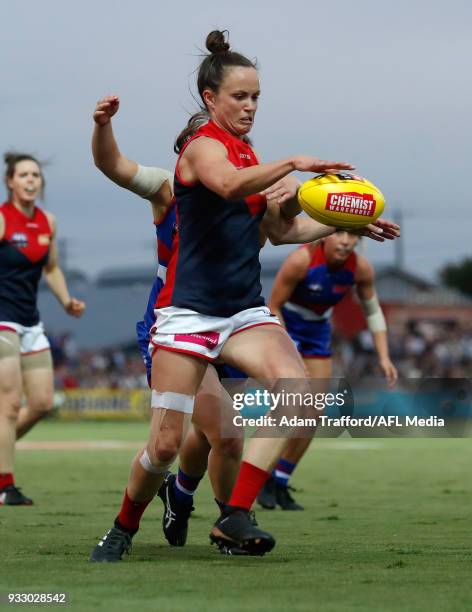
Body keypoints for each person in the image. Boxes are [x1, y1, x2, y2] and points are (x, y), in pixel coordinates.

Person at [91, 30, 399, 560]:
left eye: (256, 96)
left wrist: (345, 220)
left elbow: (281, 233)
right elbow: (230, 185)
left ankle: (234, 513)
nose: (251, 105)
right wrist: (295, 163)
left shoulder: (248, 155)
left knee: (297, 400)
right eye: (240, 96)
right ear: (211, 99)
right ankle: (122, 527)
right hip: (185, 313)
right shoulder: (202, 148)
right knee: (165, 446)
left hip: (242, 311)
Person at [257, 230, 398, 510]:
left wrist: (384, 356)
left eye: (353, 236)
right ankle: (260, 476)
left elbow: (372, 312)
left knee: (313, 413)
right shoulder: (301, 260)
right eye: (340, 233)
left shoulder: (360, 268)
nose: (346, 241)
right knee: (290, 407)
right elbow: (273, 305)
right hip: (285, 329)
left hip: (318, 333)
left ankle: (280, 482)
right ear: (324, 236)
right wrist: (289, 351)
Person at [0, 153, 85, 506]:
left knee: (42, 402)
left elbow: (50, 269)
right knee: (8, 404)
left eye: (36, 175)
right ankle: (5, 485)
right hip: (2, 319)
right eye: (24, 175)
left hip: (31, 320)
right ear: (11, 182)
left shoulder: (47, 222)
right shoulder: (3, 220)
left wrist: (66, 300)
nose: (31, 180)